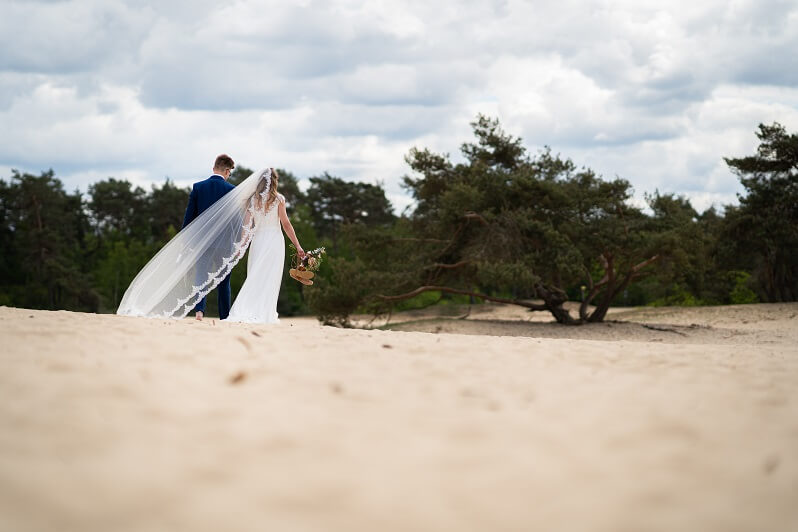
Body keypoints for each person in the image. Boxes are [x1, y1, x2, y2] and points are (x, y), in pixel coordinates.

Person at [227, 168, 305, 324]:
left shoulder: (252, 200)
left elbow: (247, 227)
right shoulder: (279, 199)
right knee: (270, 277)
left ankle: (253, 311)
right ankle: (265, 313)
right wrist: (298, 246)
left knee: (255, 275)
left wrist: (241, 247)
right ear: (274, 181)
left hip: (258, 240)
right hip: (274, 240)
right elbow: (286, 224)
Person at [182, 154, 236, 320]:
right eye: (230, 173)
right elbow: (235, 220)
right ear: (226, 171)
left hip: (202, 242)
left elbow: (189, 217)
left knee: (201, 275)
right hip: (224, 244)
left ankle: (199, 310)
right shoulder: (232, 190)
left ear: (214, 168)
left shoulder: (198, 187)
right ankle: (224, 316)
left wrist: (185, 241)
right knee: (223, 281)